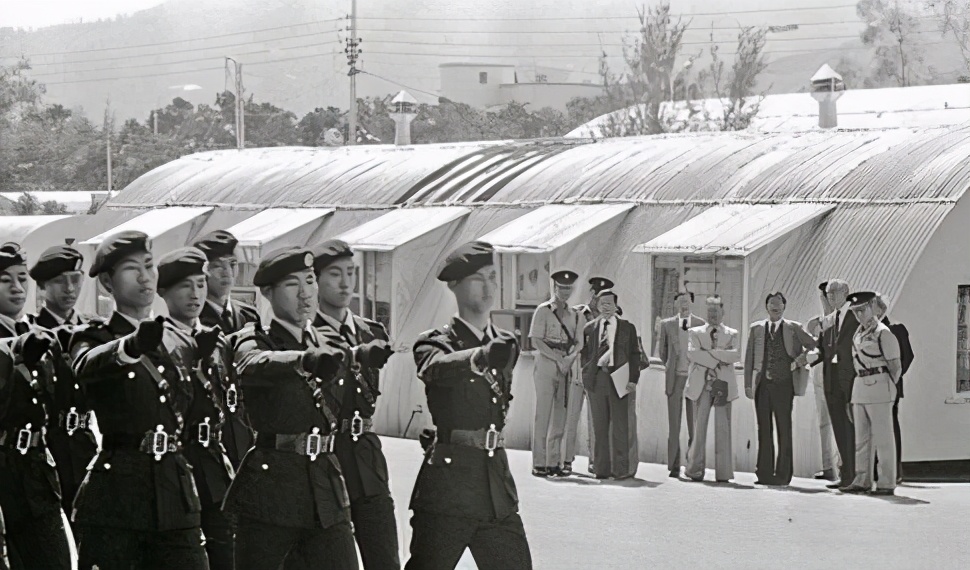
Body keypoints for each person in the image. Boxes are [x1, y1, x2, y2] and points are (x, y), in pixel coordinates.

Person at [69, 231, 208, 569]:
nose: (145, 277)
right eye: (132, 269)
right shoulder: (93, 337)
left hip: (175, 495)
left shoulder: (179, 341)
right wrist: (129, 346)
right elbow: (85, 366)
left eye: (149, 266)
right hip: (119, 500)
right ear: (106, 282)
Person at [223, 246, 357, 570]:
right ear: (267, 293)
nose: (305, 294)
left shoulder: (325, 343)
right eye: (292, 285)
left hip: (325, 490)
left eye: (310, 281)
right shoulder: (253, 339)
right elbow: (252, 363)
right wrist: (302, 360)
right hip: (271, 492)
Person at [405, 241, 532, 570]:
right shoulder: (435, 342)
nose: (489, 286)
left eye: (493, 276)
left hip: (495, 485)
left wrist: (493, 351)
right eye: (479, 278)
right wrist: (480, 356)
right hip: (449, 487)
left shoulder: (505, 342)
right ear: (454, 285)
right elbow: (434, 369)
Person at [311, 239, 399, 570]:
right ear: (315, 280)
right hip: (325, 458)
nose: (346, 283)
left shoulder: (371, 331)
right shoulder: (306, 337)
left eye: (351, 273)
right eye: (335, 274)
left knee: (385, 557)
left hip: (366, 458)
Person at [156, 247, 236, 570]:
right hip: (177, 462)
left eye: (201, 284)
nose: (195, 294)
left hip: (214, 463)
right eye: (185, 286)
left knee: (226, 553)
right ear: (164, 291)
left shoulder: (217, 341)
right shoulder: (156, 341)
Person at [0, 244, 73, 570]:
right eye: (5, 280)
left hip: (38, 472)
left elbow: (66, 409)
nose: (17, 288)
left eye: (20, 278)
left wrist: (81, 432)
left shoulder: (43, 338)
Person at [27, 243, 99, 516]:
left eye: (75, 280)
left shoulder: (92, 331)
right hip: (48, 445)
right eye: (60, 282)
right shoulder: (32, 333)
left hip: (84, 442)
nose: (70, 289)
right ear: (44, 287)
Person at [194, 229, 258, 469]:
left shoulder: (249, 316)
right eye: (218, 266)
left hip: (246, 427)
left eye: (233, 264)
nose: (228, 273)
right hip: (212, 429)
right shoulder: (194, 317)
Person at [744, 292, 816, 486]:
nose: (775, 307)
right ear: (766, 306)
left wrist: (800, 361)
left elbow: (813, 345)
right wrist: (748, 385)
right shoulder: (756, 329)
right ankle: (764, 473)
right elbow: (749, 358)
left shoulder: (793, 328)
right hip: (763, 385)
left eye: (778, 304)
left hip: (784, 386)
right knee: (763, 429)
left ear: (784, 307)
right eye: (771, 303)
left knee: (784, 429)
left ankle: (783, 475)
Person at [839, 291, 902, 496]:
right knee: (862, 439)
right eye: (855, 311)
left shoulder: (883, 333)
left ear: (874, 307)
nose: (859, 315)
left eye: (862, 310)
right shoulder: (859, 333)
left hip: (879, 384)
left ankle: (886, 482)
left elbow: (895, 366)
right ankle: (862, 479)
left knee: (883, 438)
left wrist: (888, 387)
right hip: (860, 385)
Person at [580, 289, 640, 480]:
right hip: (598, 380)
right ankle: (601, 469)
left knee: (620, 426)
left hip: (619, 377)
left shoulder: (627, 328)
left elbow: (635, 355)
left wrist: (633, 379)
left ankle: (621, 469)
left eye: (609, 303)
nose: (606, 307)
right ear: (597, 306)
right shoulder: (589, 328)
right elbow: (585, 355)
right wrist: (587, 376)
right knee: (599, 426)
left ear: (616, 306)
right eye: (602, 303)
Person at [529, 269, 583, 477]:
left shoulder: (575, 315)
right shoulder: (543, 311)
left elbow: (579, 342)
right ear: (555, 288)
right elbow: (536, 340)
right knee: (543, 413)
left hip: (565, 365)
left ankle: (554, 462)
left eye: (569, 288)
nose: (565, 292)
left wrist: (568, 360)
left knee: (561, 414)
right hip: (546, 363)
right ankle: (539, 462)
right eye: (562, 288)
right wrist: (557, 359)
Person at [684, 295, 741, 483]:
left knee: (723, 428)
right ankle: (694, 470)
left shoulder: (732, 333)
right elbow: (692, 353)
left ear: (723, 312)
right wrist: (719, 357)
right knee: (698, 428)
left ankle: (723, 473)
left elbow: (735, 355)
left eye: (716, 311)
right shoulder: (695, 332)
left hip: (723, 385)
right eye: (709, 311)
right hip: (701, 385)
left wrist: (708, 355)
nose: (713, 315)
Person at [813, 279, 858, 489]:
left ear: (846, 293)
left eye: (835, 293)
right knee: (839, 428)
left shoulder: (855, 315)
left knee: (850, 428)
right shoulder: (831, 319)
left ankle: (855, 474)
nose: (831, 297)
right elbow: (823, 349)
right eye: (829, 294)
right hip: (831, 379)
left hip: (848, 381)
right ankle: (845, 474)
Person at [657, 291, 705, 478]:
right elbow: (663, 352)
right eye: (680, 302)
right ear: (675, 304)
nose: (684, 305)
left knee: (694, 424)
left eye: (687, 302)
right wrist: (671, 367)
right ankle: (674, 465)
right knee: (674, 424)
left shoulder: (701, 324)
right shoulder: (667, 324)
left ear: (692, 303)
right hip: (675, 379)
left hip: (694, 379)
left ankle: (693, 464)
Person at [569, 276, 612, 475]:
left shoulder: (612, 316)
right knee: (571, 417)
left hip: (598, 376)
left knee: (596, 421)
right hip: (579, 371)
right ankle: (566, 459)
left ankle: (596, 461)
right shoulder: (577, 313)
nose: (598, 300)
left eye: (604, 297)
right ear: (592, 294)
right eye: (597, 295)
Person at [871, 294, 914, 486]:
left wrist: (892, 378)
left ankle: (894, 471)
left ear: (880, 310)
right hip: (870, 388)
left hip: (890, 387)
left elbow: (907, 356)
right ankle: (873, 470)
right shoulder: (865, 332)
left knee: (890, 428)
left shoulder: (896, 329)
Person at [806, 281, 840, 482]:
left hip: (836, 372)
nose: (827, 300)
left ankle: (843, 464)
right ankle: (828, 465)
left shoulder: (843, 320)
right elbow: (814, 338)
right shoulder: (817, 321)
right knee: (823, 422)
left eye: (831, 296)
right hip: (820, 372)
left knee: (840, 421)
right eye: (825, 296)